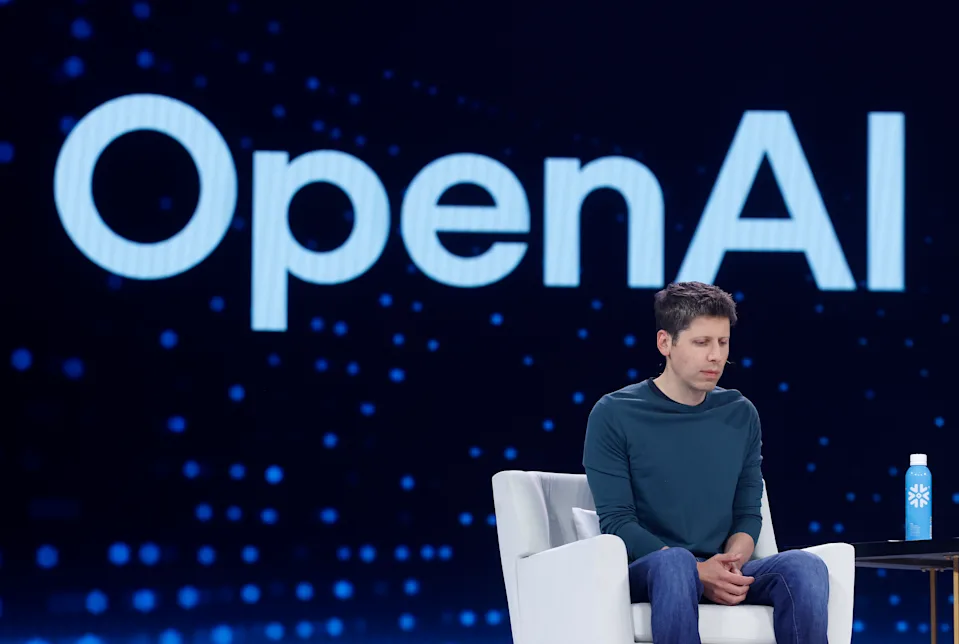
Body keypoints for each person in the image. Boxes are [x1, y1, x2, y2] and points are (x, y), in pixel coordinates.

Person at [582, 281, 829, 644]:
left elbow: (748, 513)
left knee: (805, 568)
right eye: (702, 343)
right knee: (676, 563)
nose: (716, 356)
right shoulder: (614, 413)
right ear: (665, 343)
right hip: (651, 568)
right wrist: (697, 571)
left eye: (723, 342)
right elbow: (618, 523)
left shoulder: (740, 413)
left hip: (721, 565)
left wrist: (728, 566)